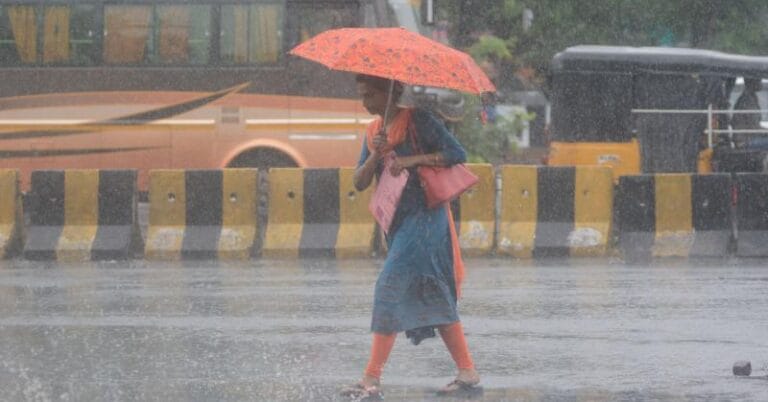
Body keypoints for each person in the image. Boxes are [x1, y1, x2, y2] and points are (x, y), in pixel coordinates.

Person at [341, 74, 480, 399]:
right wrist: (377, 155)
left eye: (369, 95)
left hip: (427, 219)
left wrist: (412, 161)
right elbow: (359, 182)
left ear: (389, 94)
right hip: (399, 223)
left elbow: (456, 152)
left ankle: (371, 379)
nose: (365, 103)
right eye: (362, 96)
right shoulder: (374, 132)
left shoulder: (419, 120)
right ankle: (468, 372)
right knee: (433, 292)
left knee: (388, 286)